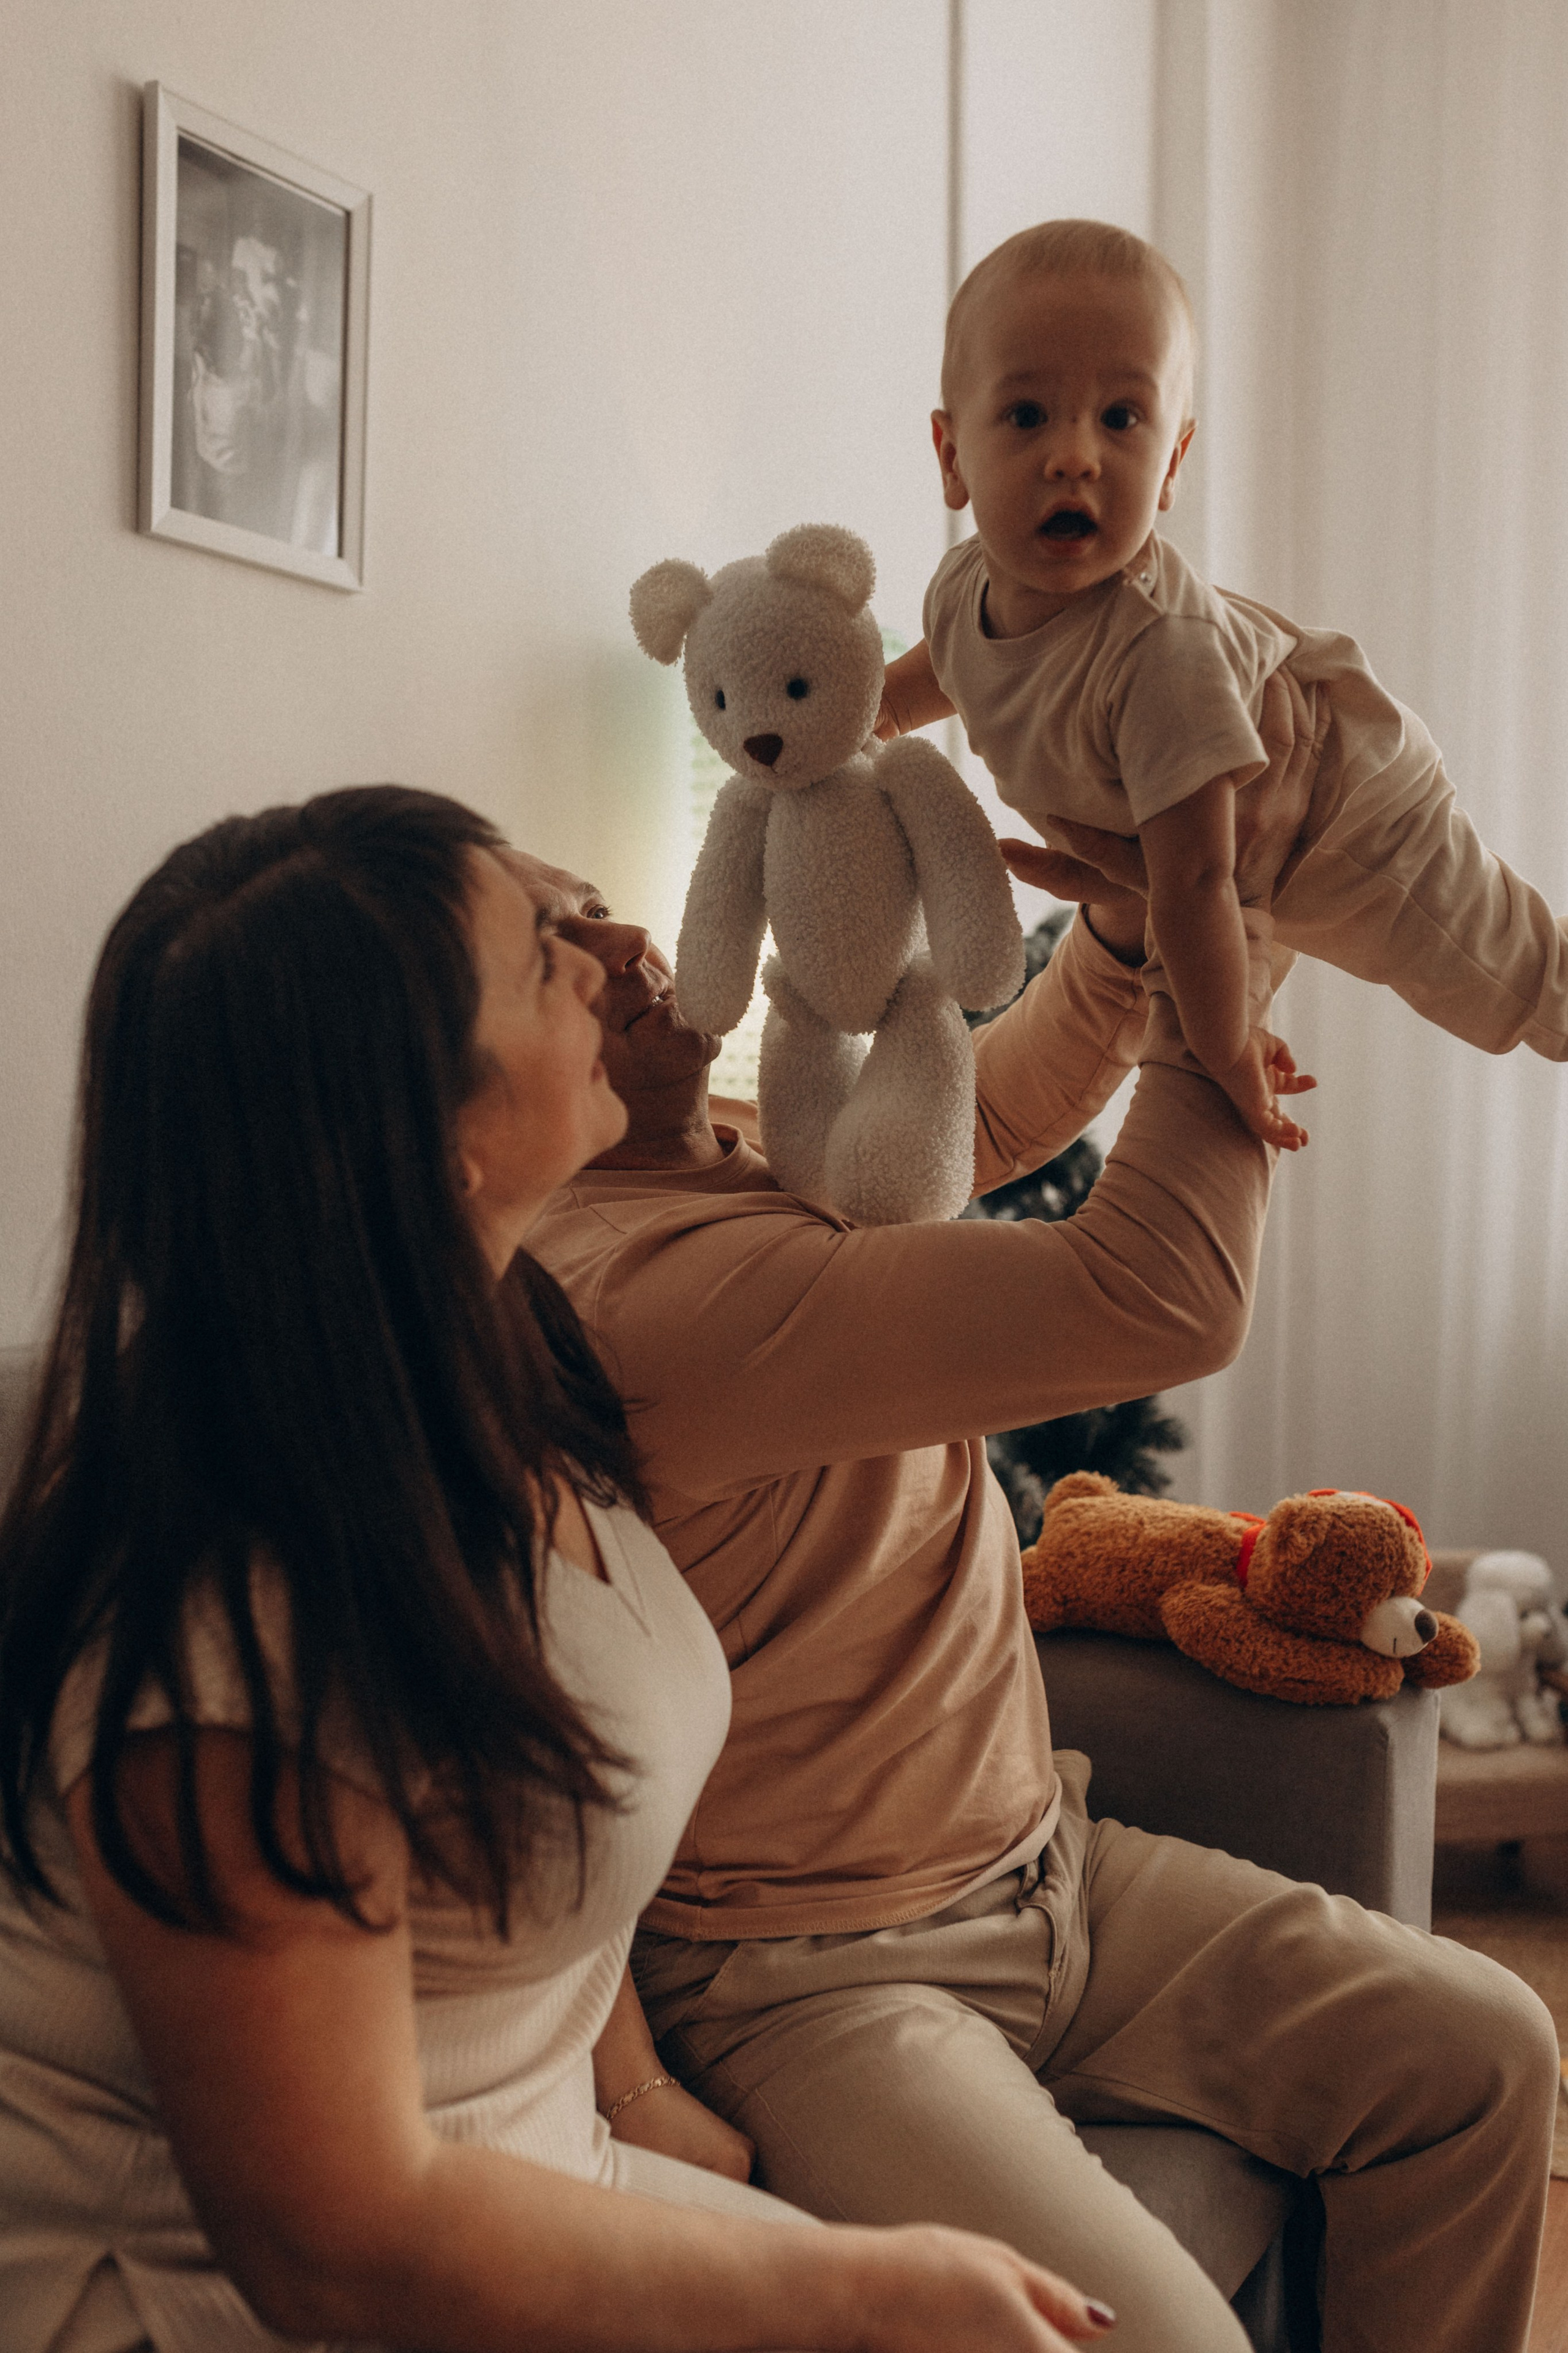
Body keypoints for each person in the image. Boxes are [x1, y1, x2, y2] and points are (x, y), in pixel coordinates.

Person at [0, 785, 1117, 2353]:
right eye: (544, 948)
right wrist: (860, 2284)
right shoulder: (237, 1616)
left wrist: (635, 2091)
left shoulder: (495, 1345)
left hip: (536, 2171)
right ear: (430, 1139)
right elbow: (337, 2238)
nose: (614, 953)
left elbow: (536, 1806)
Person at [521, 697, 1560, 2353]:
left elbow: (980, 1123)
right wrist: (1236, 932)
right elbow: (1157, 1294)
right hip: (819, 1978)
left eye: (593, 896)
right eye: (554, 943)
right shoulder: (637, 1298)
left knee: (1483, 2054)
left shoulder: (719, 1153)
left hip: (1047, 1867)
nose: (626, 933)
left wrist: (1145, 935)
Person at [878, 216, 1568, 1149]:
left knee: (1517, 976)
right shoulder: (962, 591)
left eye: (1122, 418)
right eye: (1029, 414)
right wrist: (861, 719)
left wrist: (1229, 1045)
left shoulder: (1158, 655)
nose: (1076, 453)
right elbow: (940, 674)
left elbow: (1201, 883)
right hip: (1224, 837)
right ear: (952, 454)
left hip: (1346, 815)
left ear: (1172, 465)